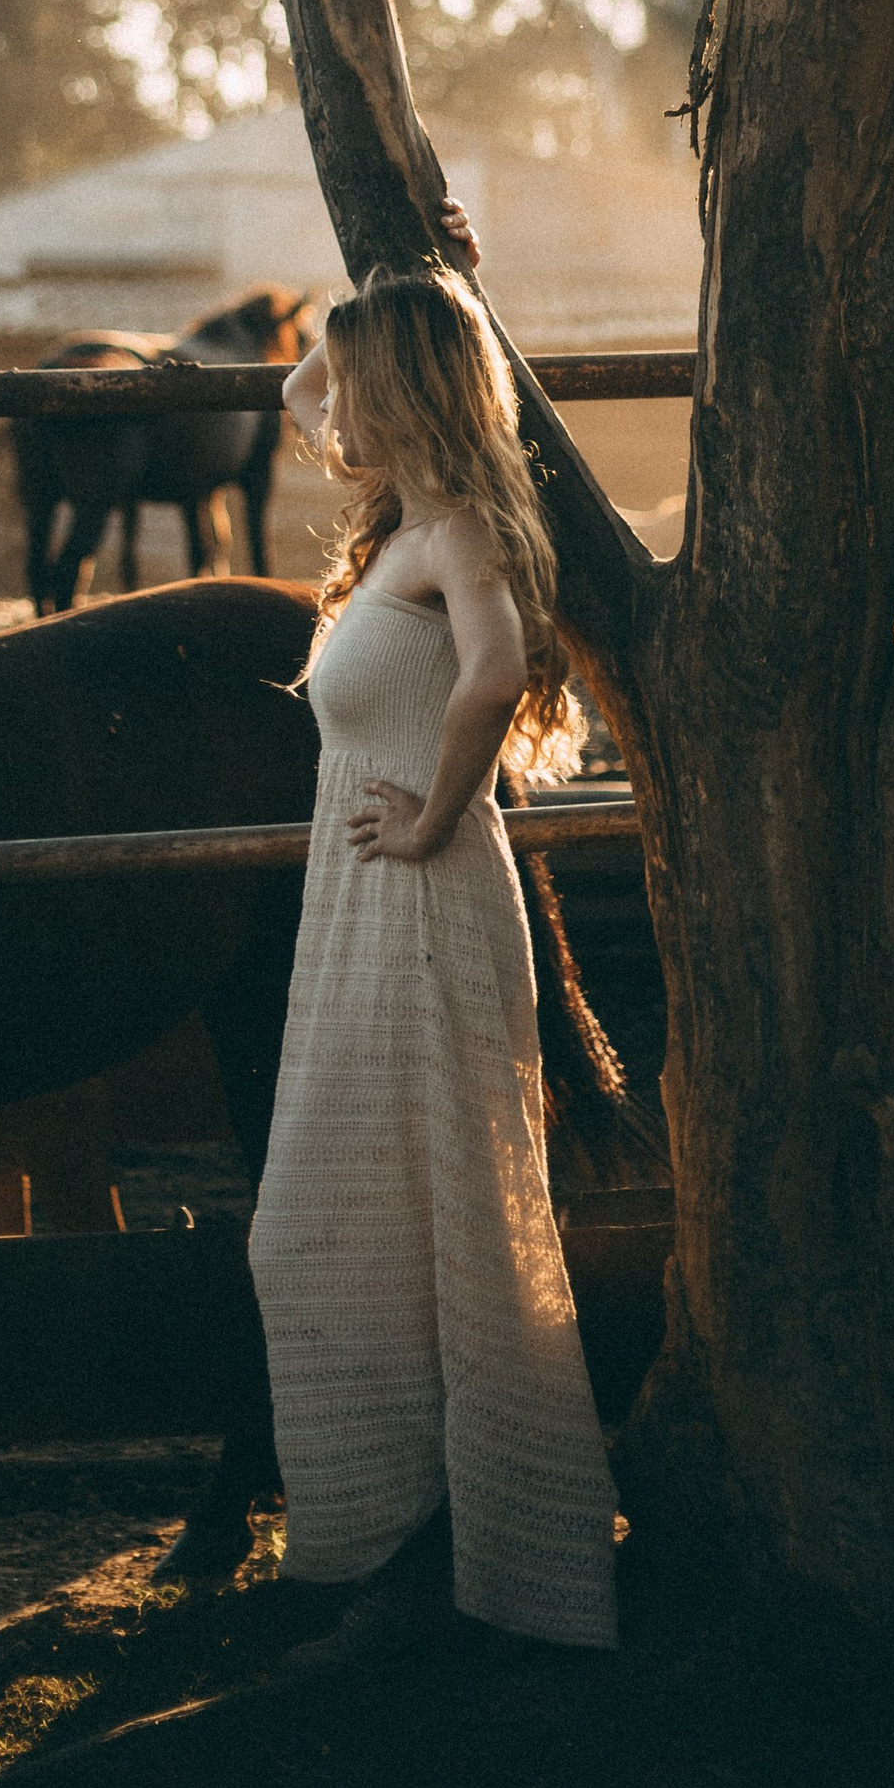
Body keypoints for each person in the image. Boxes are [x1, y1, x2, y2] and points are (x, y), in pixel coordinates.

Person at [247, 224, 620, 1666]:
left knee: (439, 1226)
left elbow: (497, 670)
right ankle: (399, 1540)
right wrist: (390, 307)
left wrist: (433, 819)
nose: (329, 408)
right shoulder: (400, 525)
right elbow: (296, 392)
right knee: (338, 1227)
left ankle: (488, 1557)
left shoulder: (455, 531)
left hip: (423, 902)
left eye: (360, 384)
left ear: (402, 396)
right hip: (366, 916)